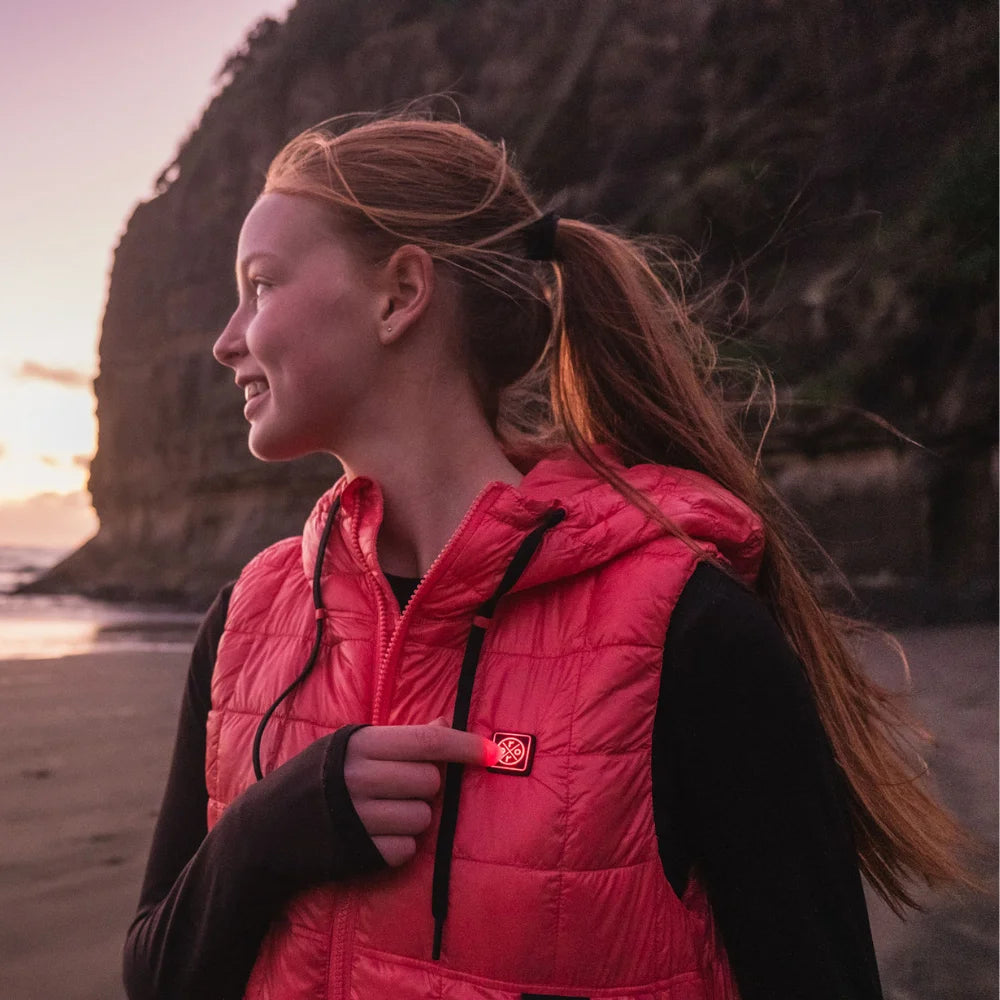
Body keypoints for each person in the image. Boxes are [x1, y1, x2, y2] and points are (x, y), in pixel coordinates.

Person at [123, 114, 966, 1000]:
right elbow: (155, 977)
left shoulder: (688, 635)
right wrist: (264, 832)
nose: (226, 340)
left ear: (399, 294)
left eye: (260, 286)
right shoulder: (245, 621)